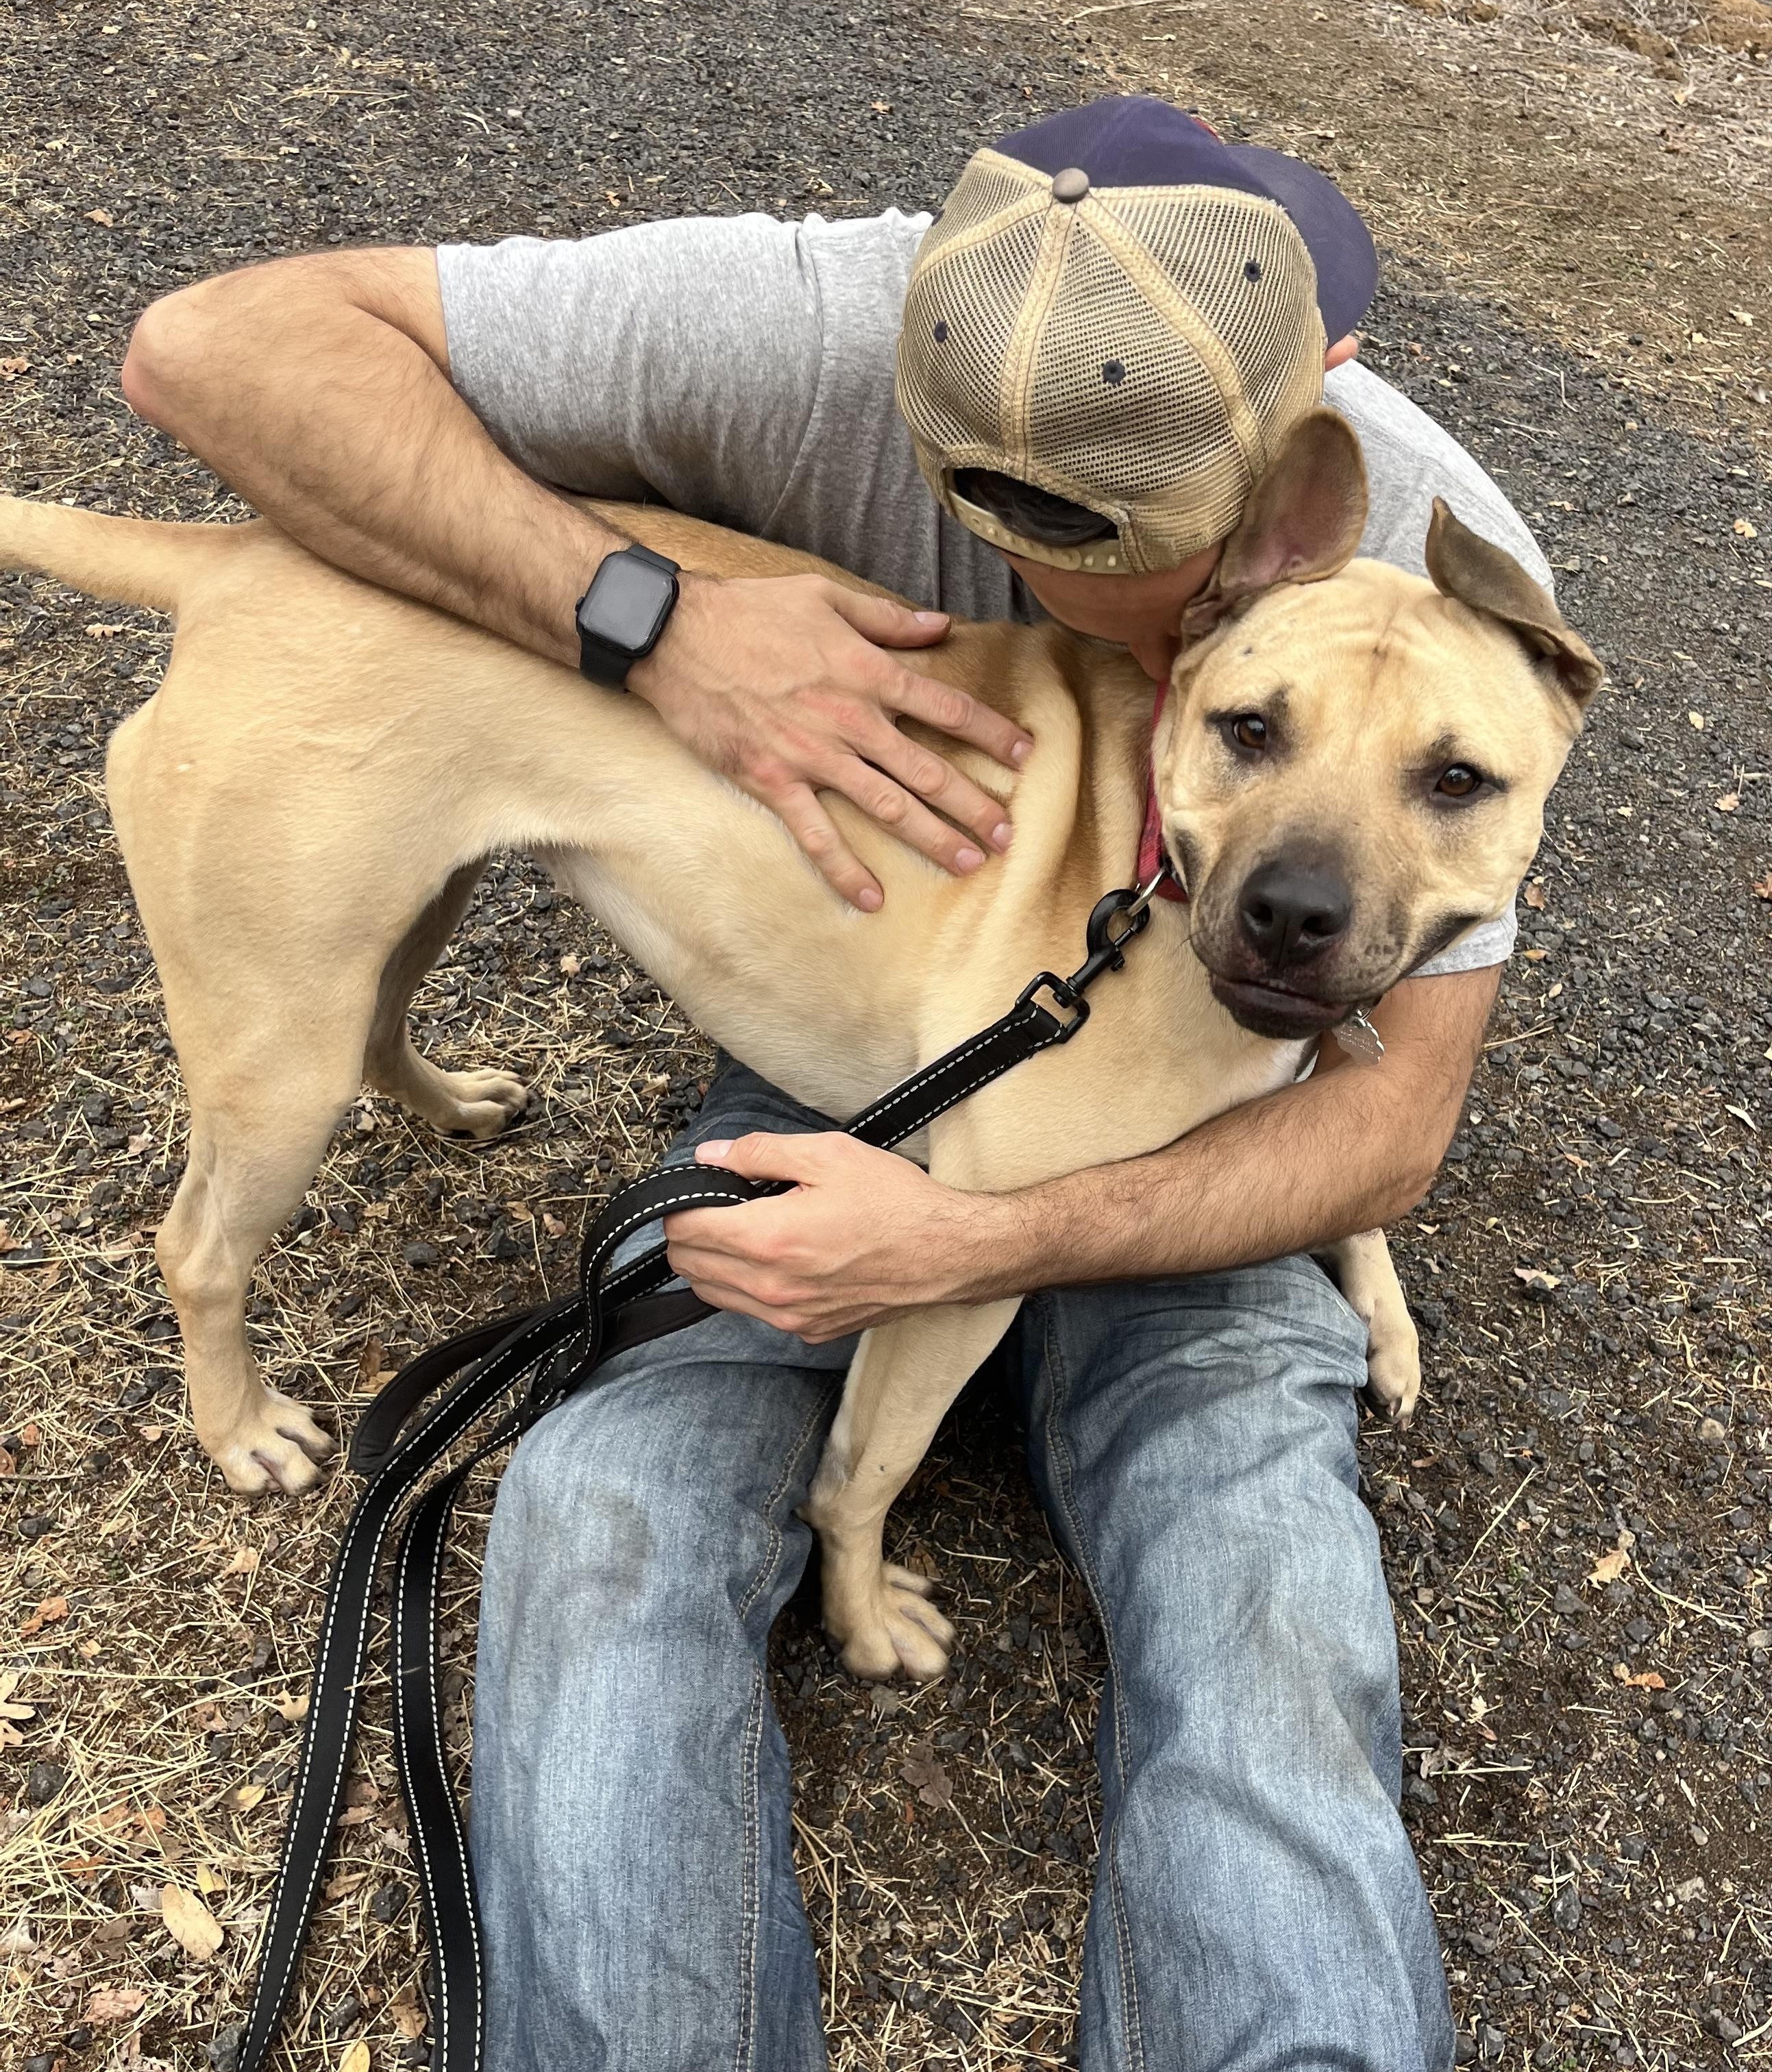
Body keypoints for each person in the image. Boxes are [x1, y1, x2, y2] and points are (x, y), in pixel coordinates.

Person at [124, 95, 1553, 2072]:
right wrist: (650, 619)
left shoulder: (1442, 603)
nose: (1092, 602)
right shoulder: (792, 321)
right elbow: (204, 352)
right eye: (1014, 516)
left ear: (1318, 414)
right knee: (599, 1501)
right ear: (906, 344)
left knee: (1266, 1587)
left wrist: (983, 1240)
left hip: (1223, 1138)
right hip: (855, 1066)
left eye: (1160, 559)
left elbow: (1385, 1124)